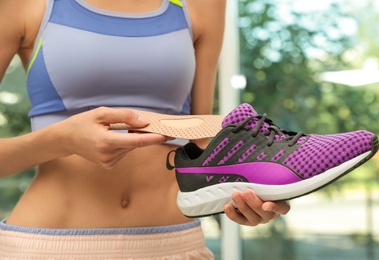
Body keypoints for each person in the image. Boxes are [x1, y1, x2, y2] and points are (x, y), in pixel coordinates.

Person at [0, 0, 291, 258]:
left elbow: (201, 144)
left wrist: (246, 198)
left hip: (175, 244)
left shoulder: (204, 4)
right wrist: (62, 140)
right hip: (49, 246)